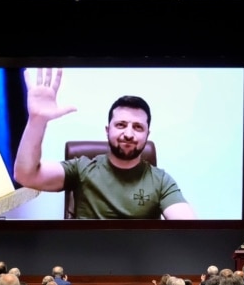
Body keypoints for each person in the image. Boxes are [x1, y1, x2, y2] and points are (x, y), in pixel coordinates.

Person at [13, 67, 196, 219]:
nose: (129, 134)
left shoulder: (161, 180)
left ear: (148, 134)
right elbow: (25, 176)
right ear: (108, 130)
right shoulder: (81, 168)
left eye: (138, 127)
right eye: (121, 125)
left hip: (138, 260)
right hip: (86, 259)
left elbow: (189, 228)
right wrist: (37, 121)